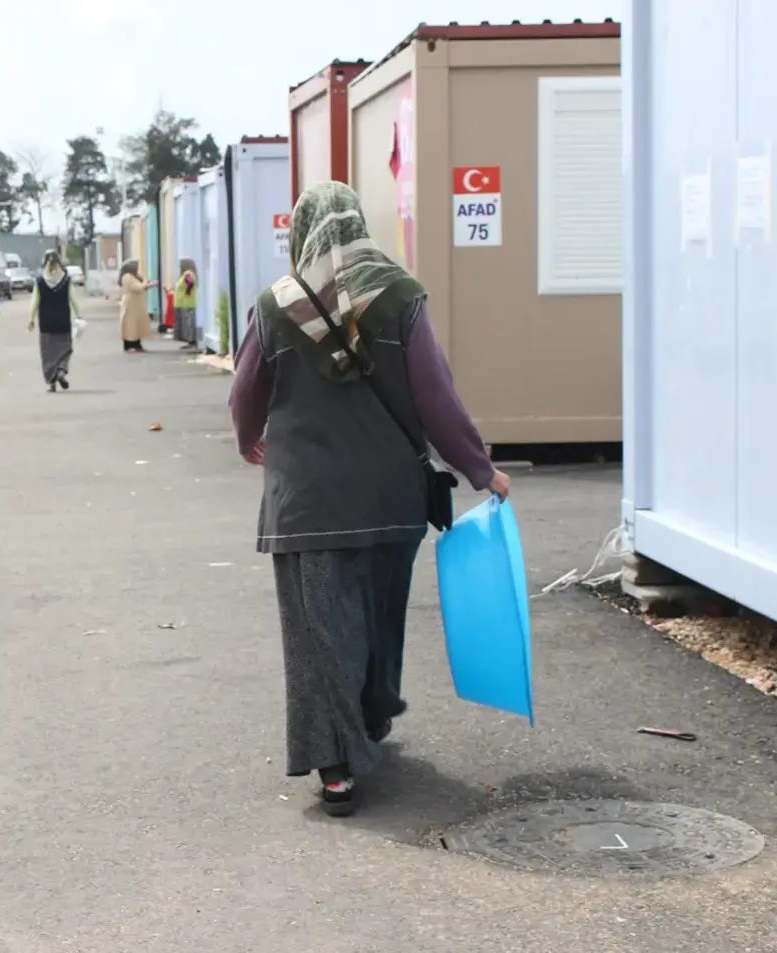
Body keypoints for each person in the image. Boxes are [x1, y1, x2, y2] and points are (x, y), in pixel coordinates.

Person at [229, 181, 511, 819]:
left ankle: (336, 767)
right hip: (391, 499)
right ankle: (370, 718)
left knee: (320, 636)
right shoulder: (400, 295)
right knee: (379, 620)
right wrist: (479, 468)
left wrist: (249, 441)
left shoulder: (275, 305)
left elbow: (245, 394)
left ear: (303, 233)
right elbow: (436, 396)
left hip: (306, 505)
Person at [27, 250, 82, 393]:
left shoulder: (40, 280)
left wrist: (31, 319)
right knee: (65, 348)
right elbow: (73, 299)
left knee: (48, 353)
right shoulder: (66, 280)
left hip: (46, 322)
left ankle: (52, 382)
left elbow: (35, 301)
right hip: (63, 320)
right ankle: (61, 370)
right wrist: (79, 315)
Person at [118, 260, 155, 353]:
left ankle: (137, 344)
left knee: (138, 324)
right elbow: (137, 288)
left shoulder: (135, 276)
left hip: (136, 303)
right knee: (130, 325)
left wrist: (147, 283)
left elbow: (141, 287)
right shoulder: (127, 277)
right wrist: (146, 283)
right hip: (130, 303)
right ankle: (129, 345)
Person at [174, 258, 199, 350]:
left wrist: (187, 292)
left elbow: (190, 282)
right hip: (183, 303)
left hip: (187, 303)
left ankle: (192, 342)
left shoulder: (188, 274)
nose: (180, 267)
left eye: (181, 265)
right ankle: (190, 341)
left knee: (189, 323)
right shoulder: (185, 274)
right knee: (187, 324)